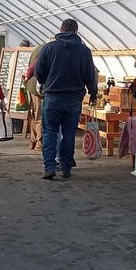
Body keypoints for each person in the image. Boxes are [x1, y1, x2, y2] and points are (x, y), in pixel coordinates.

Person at [34, 19, 98, 180]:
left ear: (61, 30)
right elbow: (90, 76)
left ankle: (49, 167)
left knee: (49, 132)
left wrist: (46, 81)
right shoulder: (84, 51)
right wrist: (93, 94)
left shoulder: (49, 48)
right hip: (74, 100)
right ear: (76, 31)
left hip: (52, 97)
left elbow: (38, 71)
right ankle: (66, 167)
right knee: (69, 134)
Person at [22, 43, 45, 150]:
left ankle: (32, 141)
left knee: (33, 114)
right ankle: (39, 143)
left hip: (30, 86)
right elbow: (36, 67)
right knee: (39, 115)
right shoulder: (46, 50)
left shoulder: (38, 48)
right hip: (37, 87)